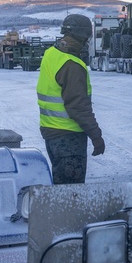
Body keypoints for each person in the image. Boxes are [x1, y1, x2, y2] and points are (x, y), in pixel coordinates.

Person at [36, 13, 105, 184]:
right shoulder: (71, 65)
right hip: (69, 138)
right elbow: (78, 107)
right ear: (83, 36)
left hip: (51, 133)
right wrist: (96, 136)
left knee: (61, 187)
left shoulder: (51, 53)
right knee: (70, 193)